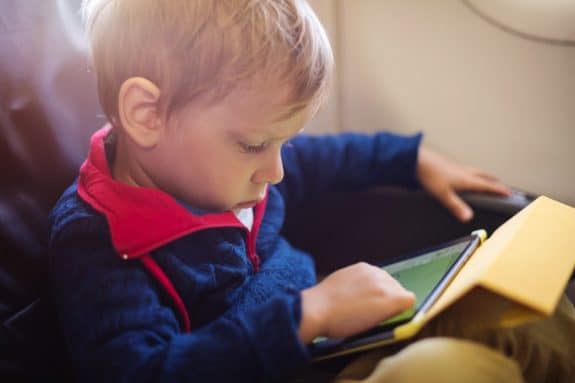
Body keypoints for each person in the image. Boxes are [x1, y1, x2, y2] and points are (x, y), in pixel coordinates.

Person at [48, 1, 574, 382]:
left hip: (331, 342)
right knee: (448, 370)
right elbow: (143, 372)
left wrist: (410, 158)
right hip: (299, 353)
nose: (276, 171)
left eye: (282, 143)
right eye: (256, 144)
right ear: (147, 115)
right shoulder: (102, 243)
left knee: (525, 311)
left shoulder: (223, 171)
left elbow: (327, 158)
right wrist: (308, 316)